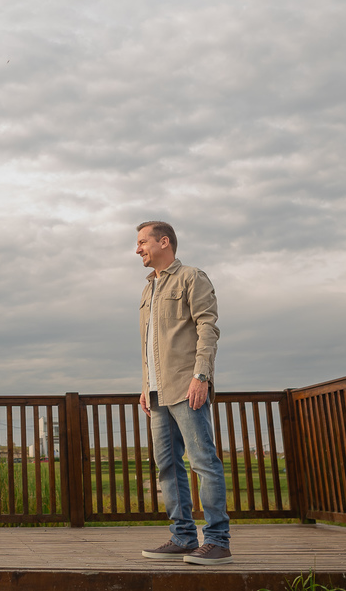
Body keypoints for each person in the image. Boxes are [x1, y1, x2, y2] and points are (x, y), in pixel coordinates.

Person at [134, 220, 232, 565]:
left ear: (164, 242)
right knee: (168, 466)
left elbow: (208, 327)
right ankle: (184, 537)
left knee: (203, 461)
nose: (138, 249)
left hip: (186, 384)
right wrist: (146, 387)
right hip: (158, 393)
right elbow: (149, 344)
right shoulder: (148, 289)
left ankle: (218, 541)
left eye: (143, 242)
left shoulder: (192, 277)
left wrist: (201, 375)